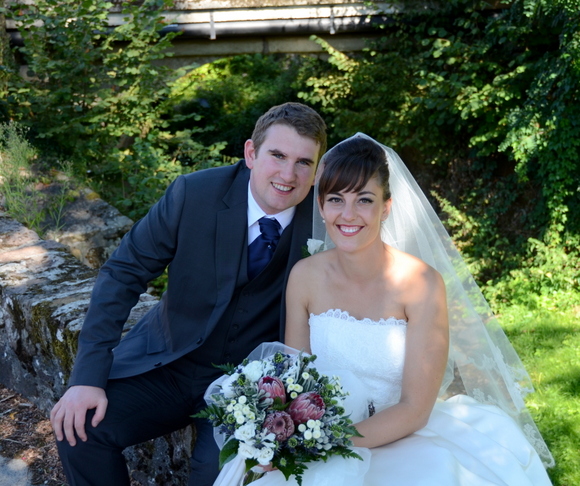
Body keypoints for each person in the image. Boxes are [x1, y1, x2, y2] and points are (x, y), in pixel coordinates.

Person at [221, 134, 554, 485]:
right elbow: (296, 384)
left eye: (364, 200)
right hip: (318, 436)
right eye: (336, 199)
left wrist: (323, 443)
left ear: (386, 206)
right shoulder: (304, 277)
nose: (348, 214)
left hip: (403, 439)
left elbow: (415, 409)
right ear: (320, 206)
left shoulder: (422, 284)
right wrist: (287, 436)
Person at [49, 102, 327, 486]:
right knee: (80, 429)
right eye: (277, 155)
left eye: (303, 162)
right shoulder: (193, 194)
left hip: (252, 386)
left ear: (317, 171)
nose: (288, 174)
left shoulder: (325, 222)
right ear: (250, 153)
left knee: (222, 474)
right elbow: (123, 274)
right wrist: (87, 378)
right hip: (168, 362)